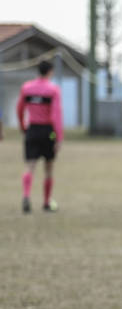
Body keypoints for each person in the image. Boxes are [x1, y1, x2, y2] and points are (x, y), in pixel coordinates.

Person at [16, 59, 63, 213]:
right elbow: (56, 115)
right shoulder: (53, 90)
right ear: (50, 72)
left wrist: (23, 126)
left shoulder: (26, 88)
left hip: (32, 129)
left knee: (30, 166)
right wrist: (58, 137)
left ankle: (26, 195)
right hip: (48, 131)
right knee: (49, 167)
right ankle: (46, 202)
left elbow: (20, 109)